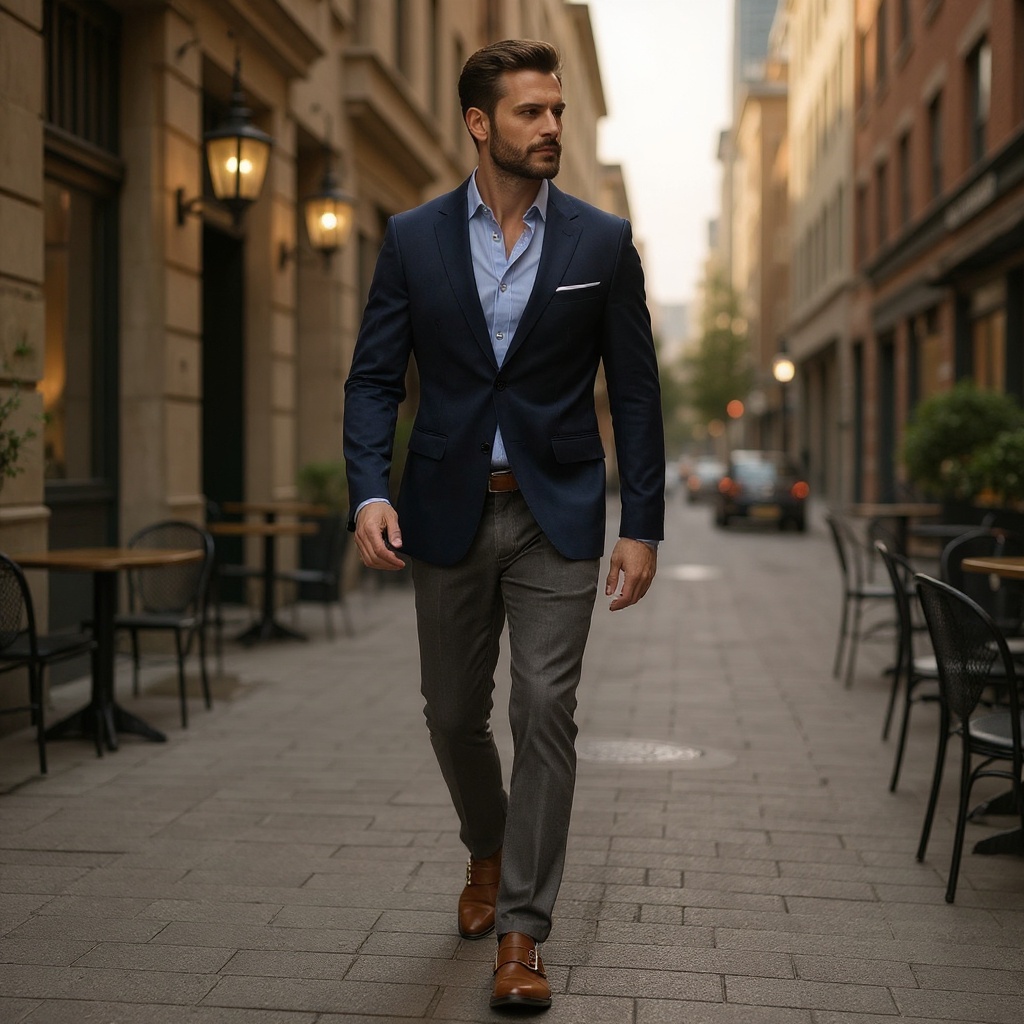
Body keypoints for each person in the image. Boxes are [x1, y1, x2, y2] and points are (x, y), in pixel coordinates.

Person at [343, 38, 665, 1011]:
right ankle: (485, 843)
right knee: (452, 715)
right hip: (442, 508)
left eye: (558, 111)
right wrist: (367, 490)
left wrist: (641, 523)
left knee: (543, 709)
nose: (553, 127)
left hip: (554, 510)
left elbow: (637, 395)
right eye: (532, 112)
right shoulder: (412, 239)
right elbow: (371, 379)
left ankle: (522, 931)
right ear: (480, 124)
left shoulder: (601, 245)